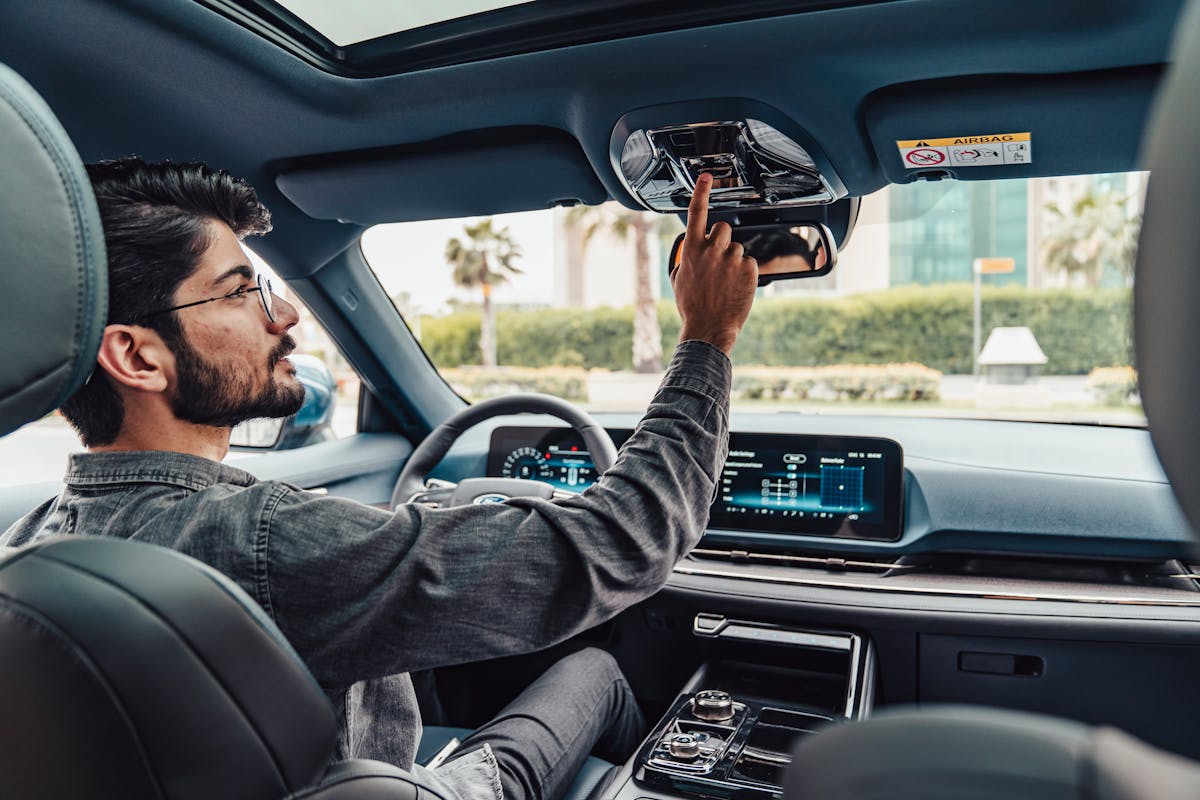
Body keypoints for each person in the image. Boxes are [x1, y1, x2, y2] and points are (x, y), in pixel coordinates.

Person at [1, 161, 758, 800]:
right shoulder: (265, 541)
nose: (286, 313)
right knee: (596, 670)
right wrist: (707, 339)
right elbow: (627, 537)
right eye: (240, 292)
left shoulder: (30, 548)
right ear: (137, 357)